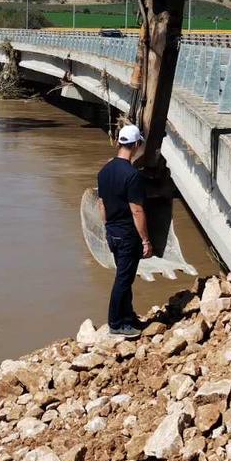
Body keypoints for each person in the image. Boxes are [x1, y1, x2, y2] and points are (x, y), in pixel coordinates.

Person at [96, 124, 153, 337]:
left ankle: (128, 316)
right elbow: (137, 210)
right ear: (137, 144)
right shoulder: (132, 175)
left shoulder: (104, 171)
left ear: (119, 142)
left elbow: (102, 204)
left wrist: (107, 228)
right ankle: (116, 323)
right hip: (128, 234)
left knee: (125, 276)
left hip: (112, 231)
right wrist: (146, 240)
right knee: (123, 279)